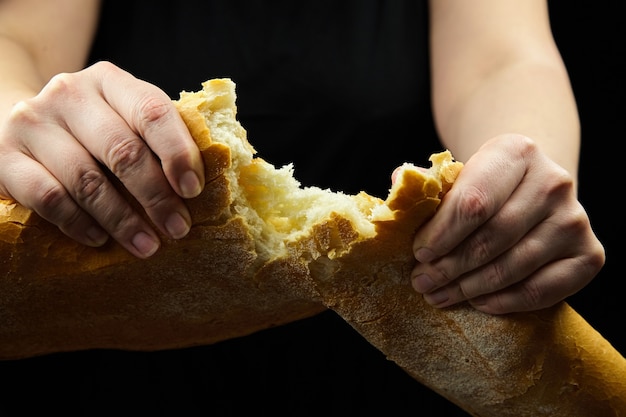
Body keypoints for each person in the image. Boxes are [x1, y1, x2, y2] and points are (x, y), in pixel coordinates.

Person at [0, 1, 607, 415]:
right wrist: (13, 114)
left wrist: (522, 183)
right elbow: (16, 40)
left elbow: (501, 61)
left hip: (404, 347)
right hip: (117, 359)